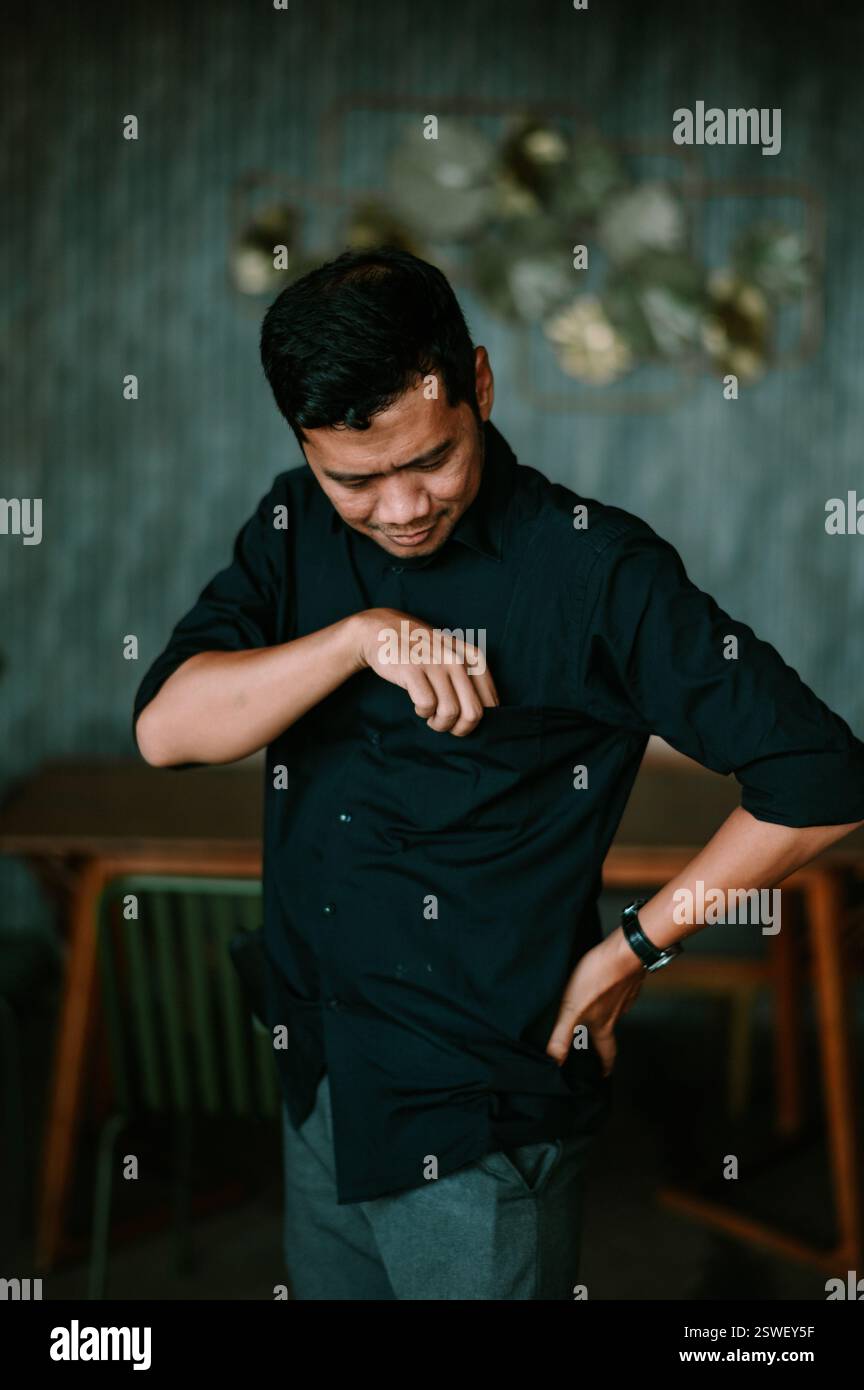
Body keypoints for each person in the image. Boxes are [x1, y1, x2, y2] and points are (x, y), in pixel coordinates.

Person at [132, 246, 864, 1300]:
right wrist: (357, 639)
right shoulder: (292, 526)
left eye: (429, 460)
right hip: (324, 1066)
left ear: (477, 382)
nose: (399, 507)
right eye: (355, 477)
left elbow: (821, 775)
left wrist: (633, 953)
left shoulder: (595, 569)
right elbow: (168, 729)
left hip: (476, 1100)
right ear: (304, 445)